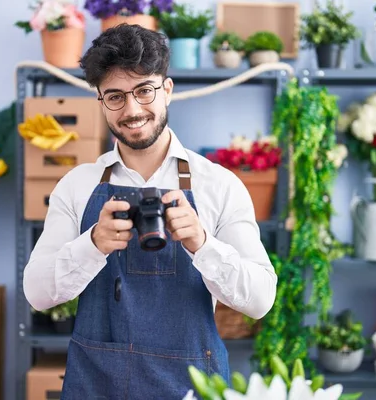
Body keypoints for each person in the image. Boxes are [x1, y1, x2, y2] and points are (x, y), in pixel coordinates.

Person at [23, 23, 278, 400]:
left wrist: (202, 243)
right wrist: (92, 244)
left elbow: (259, 300)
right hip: (97, 383)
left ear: (167, 90)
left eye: (144, 90)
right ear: (100, 101)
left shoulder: (218, 185)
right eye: (115, 96)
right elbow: (37, 292)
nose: (132, 109)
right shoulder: (78, 185)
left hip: (191, 385)